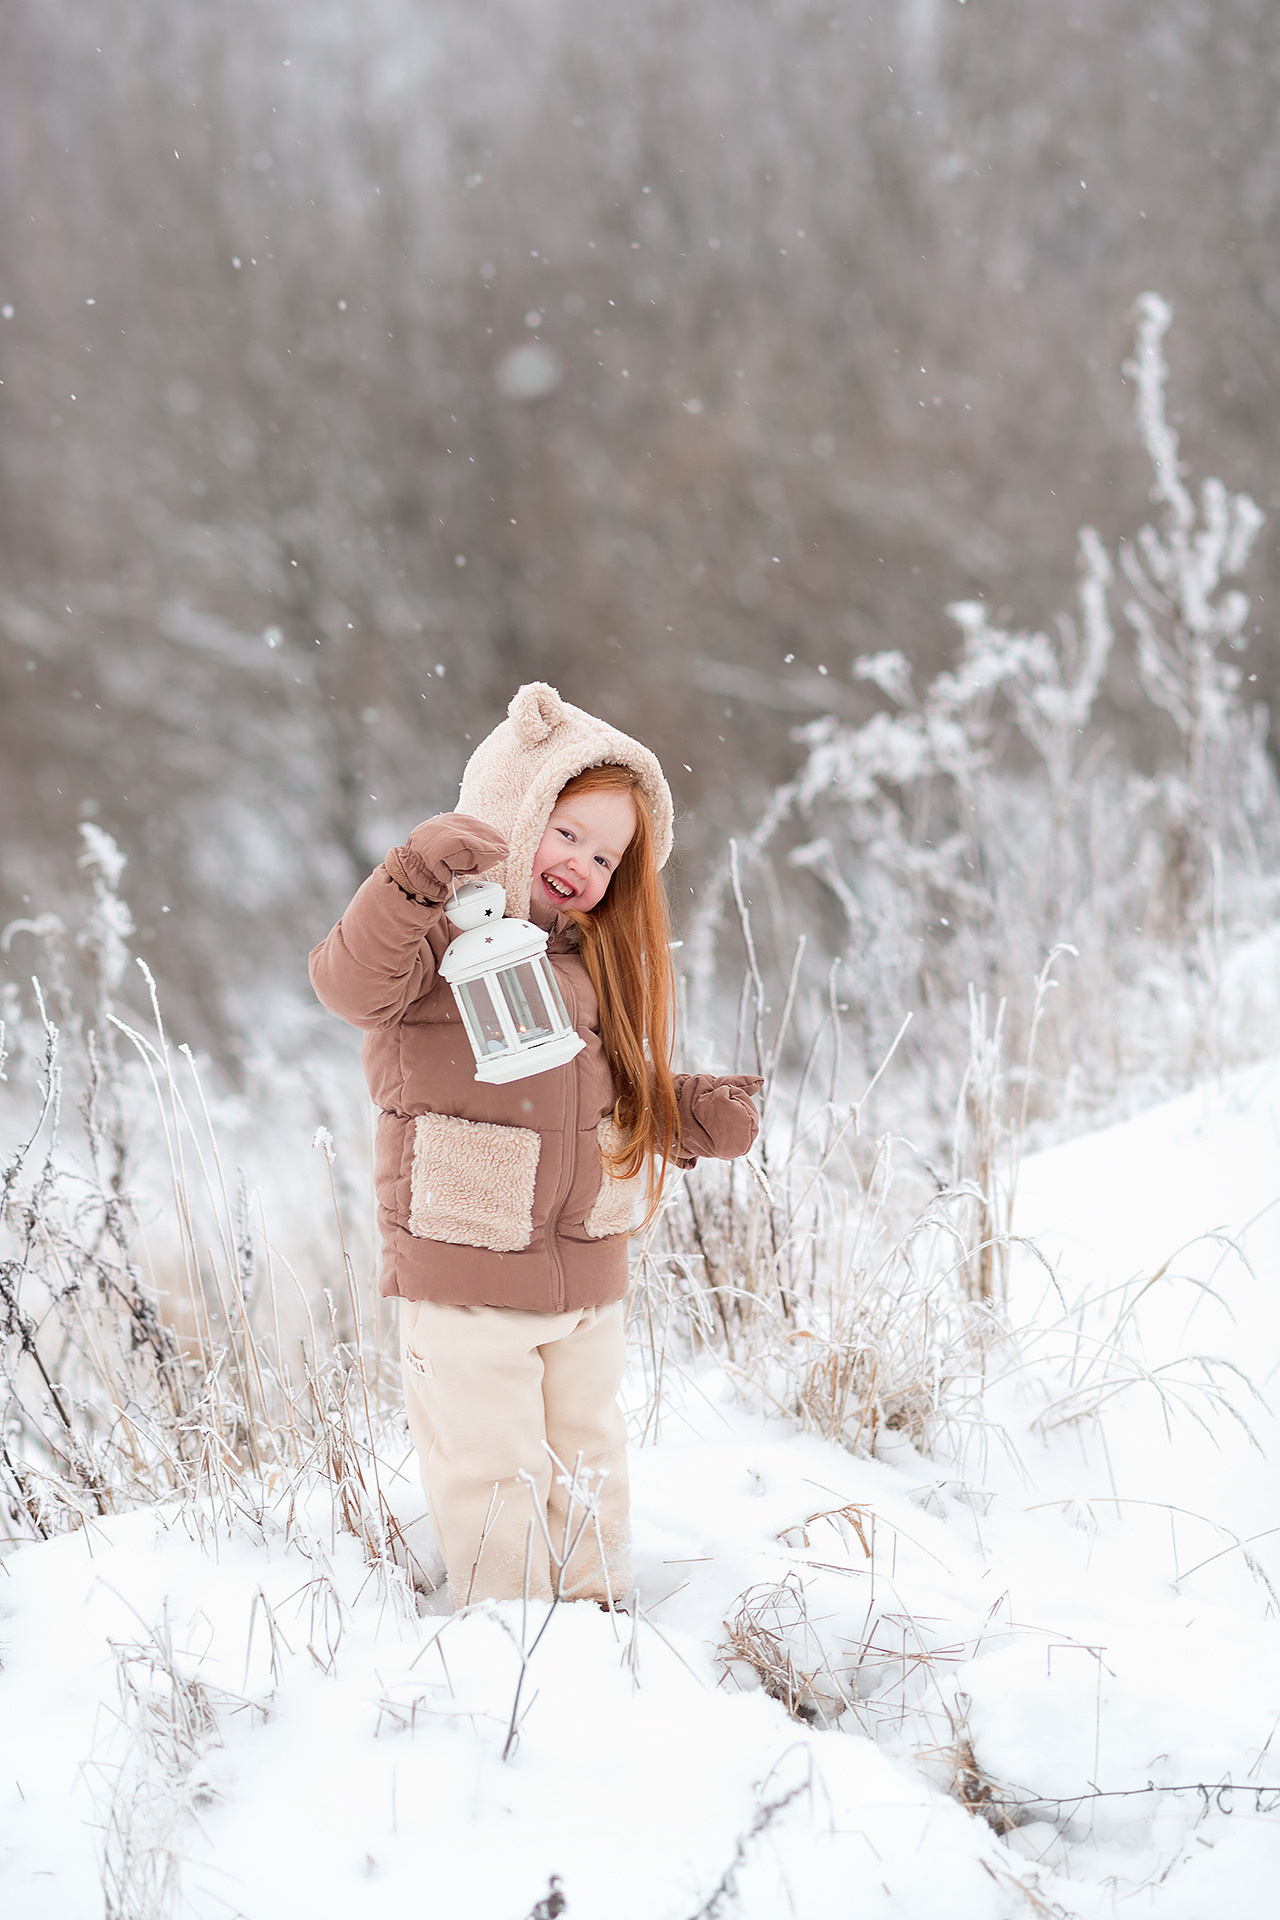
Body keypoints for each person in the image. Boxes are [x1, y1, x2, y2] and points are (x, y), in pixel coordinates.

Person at [309, 682, 761, 1609]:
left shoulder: (591, 962)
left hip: (585, 1268)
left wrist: (684, 1116)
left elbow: (604, 1092)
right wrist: (412, 877)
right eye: (567, 832)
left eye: (608, 855)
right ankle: (511, 1636)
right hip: (467, 1258)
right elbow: (348, 986)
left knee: (589, 1456)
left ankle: (595, 1613)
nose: (585, 865)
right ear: (513, 808)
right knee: (494, 1468)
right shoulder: (425, 940)